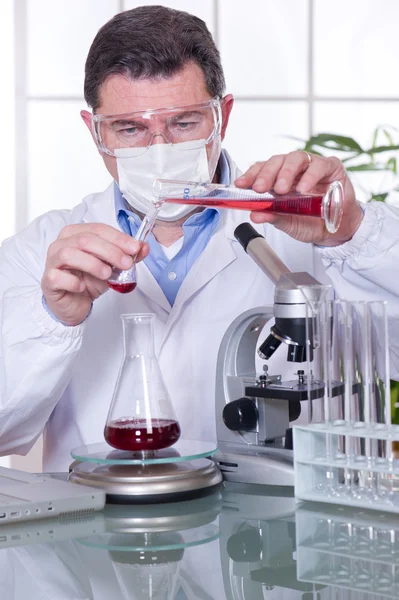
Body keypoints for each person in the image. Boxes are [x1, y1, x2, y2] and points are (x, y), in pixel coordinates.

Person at [0, 6, 398, 472]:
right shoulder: (42, 254)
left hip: (280, 529)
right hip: (98, 534)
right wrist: (54, 320)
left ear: (222, 116)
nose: (160, 151)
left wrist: (352, 232)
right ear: (95, 131)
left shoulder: (312, 230)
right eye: (130, 129)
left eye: (184, 123)